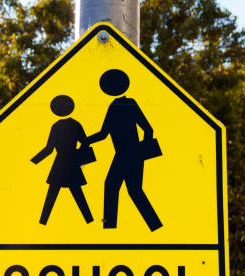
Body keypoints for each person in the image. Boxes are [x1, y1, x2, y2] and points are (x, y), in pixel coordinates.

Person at [88, 69, 162, 231]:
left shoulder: (128, 103)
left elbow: (148, 129)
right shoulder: (114, 106)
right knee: (134, 191)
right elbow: (103, 134)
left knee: (112, 185)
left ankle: (109, 227)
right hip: (125, 154)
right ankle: (155, 226)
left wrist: (142, 151)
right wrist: (86, 141)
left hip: (128, 154)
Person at [31, 95, 93, 225]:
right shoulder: (75, 124)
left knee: (54, 193)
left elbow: (49, 149)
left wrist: (34, 161)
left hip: (60, 164)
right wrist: (78, 155)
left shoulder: (56, 126)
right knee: (75, 192)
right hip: (71, 163)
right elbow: (85, 143)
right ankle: (89, 221)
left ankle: (43, 222)